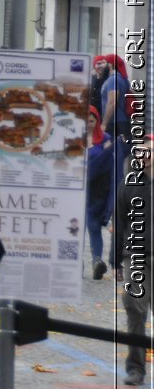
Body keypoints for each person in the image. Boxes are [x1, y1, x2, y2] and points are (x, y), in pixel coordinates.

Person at [111, 138, 151, 385]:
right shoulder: (129, 184)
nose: (144, 154)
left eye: (150, 151)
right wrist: (115, 260)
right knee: (134, 309)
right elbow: (120, 224)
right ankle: (135, 368)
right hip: (135, 257)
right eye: (141, 151)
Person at [86, 107, 125, 280]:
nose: (88, 124)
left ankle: (97, 261)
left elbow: (112, 163)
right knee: (73, 229)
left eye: (92, 121)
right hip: (75, 190)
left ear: (97, 122)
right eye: (85, 120)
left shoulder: (105, 140)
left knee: (94, 227)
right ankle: (72, 262)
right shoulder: (70, 139)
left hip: (97, 192)